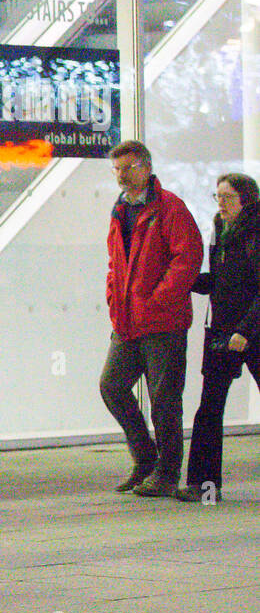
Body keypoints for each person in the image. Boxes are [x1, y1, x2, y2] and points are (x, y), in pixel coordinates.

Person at [100, 140, 203, 497]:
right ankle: (145, 459)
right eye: (117, 170)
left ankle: (166, 474)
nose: (121, 176)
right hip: (127, 322)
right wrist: (114, 297)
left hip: (163, 324)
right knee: (111, 387)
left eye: (127, 168)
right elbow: (116, 264)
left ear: (145, 168)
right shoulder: (120, 210)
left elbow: (186, 259)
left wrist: (159, 299)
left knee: (164, 400)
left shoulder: (169, 207)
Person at [181, 173, 260, 504]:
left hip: (251, 331)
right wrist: (184, 280)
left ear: (247, 200)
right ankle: (204, 485)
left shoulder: (256, 231)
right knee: (209, 408)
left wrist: (245, 329)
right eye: (218, 197)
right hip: (221, 332)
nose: (221, 204)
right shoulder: (220, 227)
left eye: (227, 197)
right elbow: (220, 279)